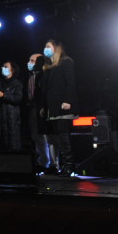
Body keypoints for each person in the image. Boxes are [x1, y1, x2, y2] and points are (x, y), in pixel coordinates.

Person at [41, 39, 77, 177]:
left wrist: (67, 100)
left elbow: (70, 83)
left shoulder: (66, 61)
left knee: (64, 136)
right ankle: (64, 165)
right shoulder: (49, 67)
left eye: (48, 46)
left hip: (63, 106)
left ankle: (69, 165)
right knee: (59, 137)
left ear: (56, 48)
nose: (46, 49)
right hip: (53, 107)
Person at [25, 53, 52, 172]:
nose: (30, 62)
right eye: (29, 60)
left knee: (45, 137)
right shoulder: (29, 76)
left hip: (41, 108)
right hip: (31, 108)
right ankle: (41, 162)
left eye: (32, 60)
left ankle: (48, 163)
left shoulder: (44, 75)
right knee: (35, 137)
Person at [0, 61, 24, 151]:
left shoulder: (17, 83)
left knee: (13, 145)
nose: (3, 68)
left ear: (12, 70)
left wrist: (4, 95)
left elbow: (18, 98)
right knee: (0, 145)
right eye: (2, 67)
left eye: (5, 67)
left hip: (12, 118)